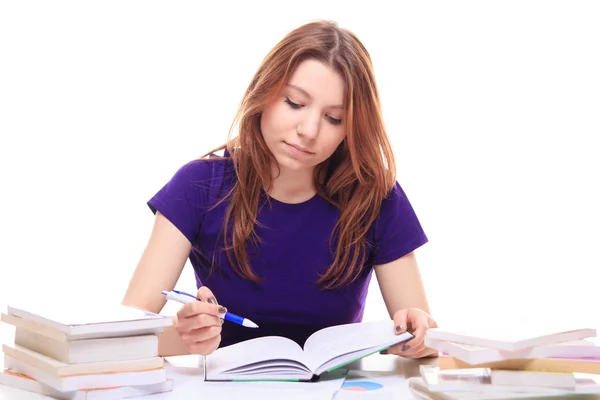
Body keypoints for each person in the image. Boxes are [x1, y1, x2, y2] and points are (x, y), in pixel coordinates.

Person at [122, 20, 438, 359]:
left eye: (334, 118)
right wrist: (185, 337)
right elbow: (118, 338)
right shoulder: (198, 186)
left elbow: (425, 341)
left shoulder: (377, 198)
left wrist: (417, 337)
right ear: (265, 93)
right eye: (295, 103)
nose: (309, 130)